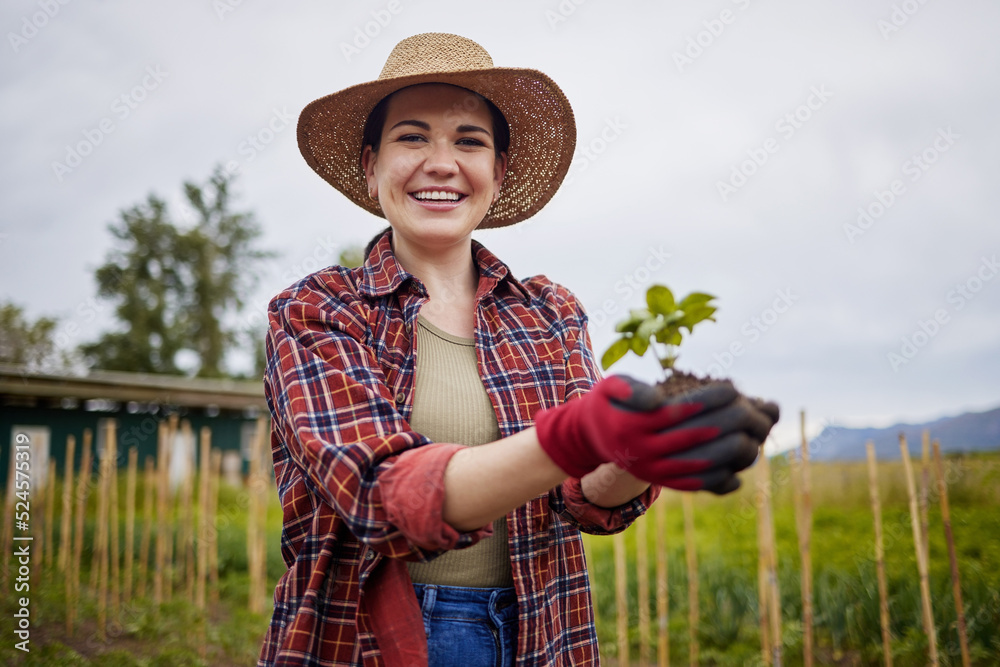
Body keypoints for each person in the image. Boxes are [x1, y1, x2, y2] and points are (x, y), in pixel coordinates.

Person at [259, 33, 779, 667]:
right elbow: (378, 491)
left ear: (499, 172)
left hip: (539, 633)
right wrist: (576, 434)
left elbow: (587, 495)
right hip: (368, 640)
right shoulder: (318, 310)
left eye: (470, 141)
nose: (442, 163)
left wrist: (634, 451)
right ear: (371, 165)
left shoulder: (548, 312)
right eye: (412, 137)